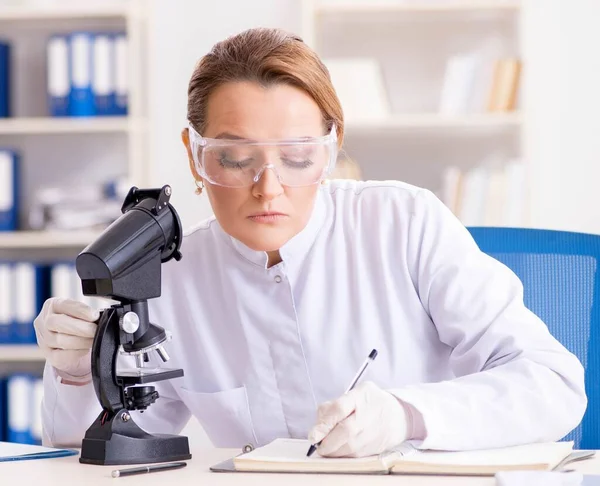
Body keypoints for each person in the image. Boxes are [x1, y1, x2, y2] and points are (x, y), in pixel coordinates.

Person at [34, 27, 586, 459]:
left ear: (332, 145)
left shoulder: (403, 222)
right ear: (194, 155)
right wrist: (81, 372)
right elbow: (94, 453)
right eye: (235, 158)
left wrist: (406, 414)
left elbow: (552, 383)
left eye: (298, 157)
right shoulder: (169, 277)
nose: (268, 187)